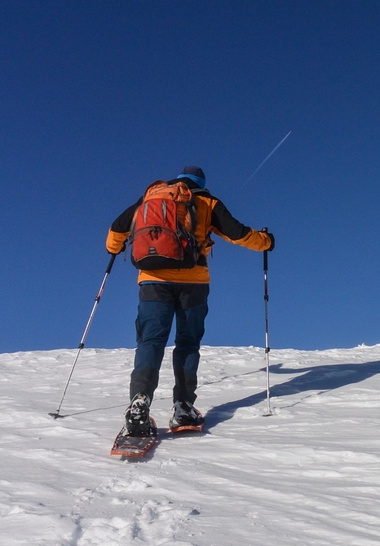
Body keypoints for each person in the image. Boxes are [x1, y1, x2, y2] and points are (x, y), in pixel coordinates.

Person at [106, 166, 274, 435]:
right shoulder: (207, 202)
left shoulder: (149, 199)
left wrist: (114, 249)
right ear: (201, 183)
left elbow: (116, 230)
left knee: (151, 341)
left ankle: (140, 400)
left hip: (152, 281)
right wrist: (266, 241)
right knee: (187, 342)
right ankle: (183, 406)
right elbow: (238, 233)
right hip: (193, 282)